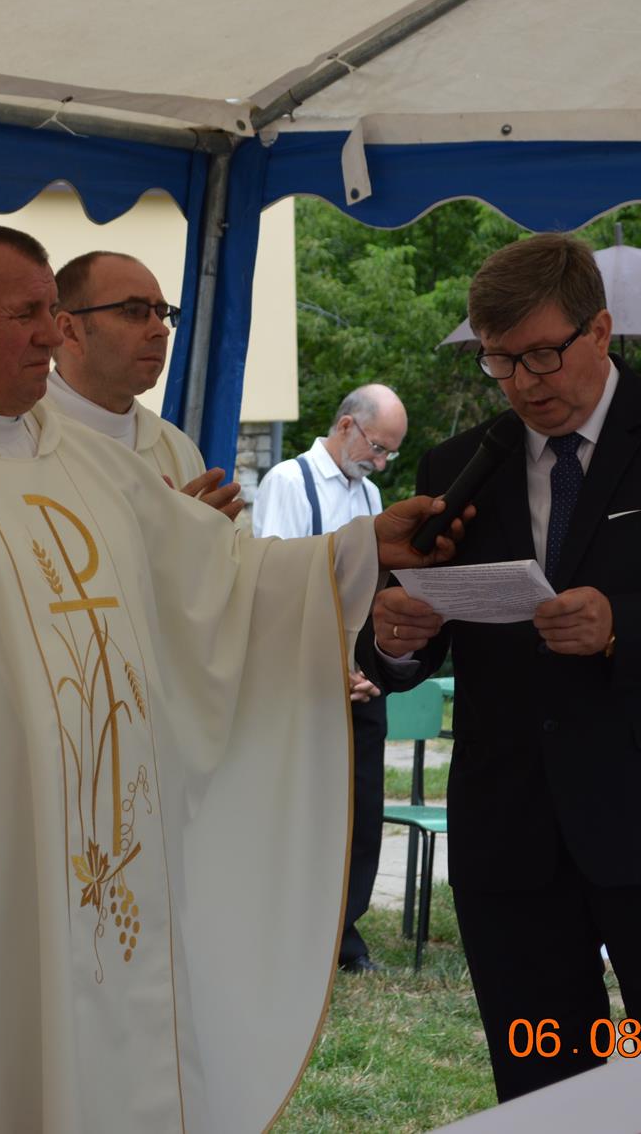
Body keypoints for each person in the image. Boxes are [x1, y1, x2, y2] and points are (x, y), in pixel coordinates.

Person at [0, 224, 462, 1133]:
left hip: (106, 869)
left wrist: (362, 544)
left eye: (52, 311)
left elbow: (217, 579)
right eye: (24, 314)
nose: (48, 334)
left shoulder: (86, 459)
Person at [359, 232, 641, 1100]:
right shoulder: (460, 464)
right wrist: (394, 637)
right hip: (512, 835)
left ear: (599, 330)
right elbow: (417, 636)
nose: (522, 383)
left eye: (541, 355)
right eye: (498, 361)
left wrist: (623, 624)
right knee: (539, 1089)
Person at [251, 383, 410, 973]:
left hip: (361, 675)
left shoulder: (370, 495)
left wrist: (371, 670)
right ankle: (292, 929)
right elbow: (275, 584)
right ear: (346, 426)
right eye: (378, 447)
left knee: (361, 808)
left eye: (390, 452)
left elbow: (378, 588)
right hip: (304, 677)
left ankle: (345, 932)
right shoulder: (288, 482)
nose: (382, 463)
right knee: (304, 806)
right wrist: (327, 665)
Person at [47, 249, 239, 519]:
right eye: (134, 312)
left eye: (161, 313)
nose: (161, 330)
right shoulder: (23, 437)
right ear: (70, 331)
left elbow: (223, 547)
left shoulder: (176, 447)